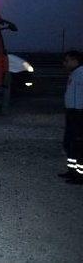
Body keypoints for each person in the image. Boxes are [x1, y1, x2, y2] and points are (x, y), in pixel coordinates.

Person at [59, 50, 83, 184]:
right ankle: (72, 171)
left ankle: (80, 176)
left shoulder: (81, 74)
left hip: (79, 113)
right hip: (72, 113)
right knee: (70, 143)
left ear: (75, 60)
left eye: (67, 60)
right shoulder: (74, 74)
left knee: (79, 144)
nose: (65, 63)